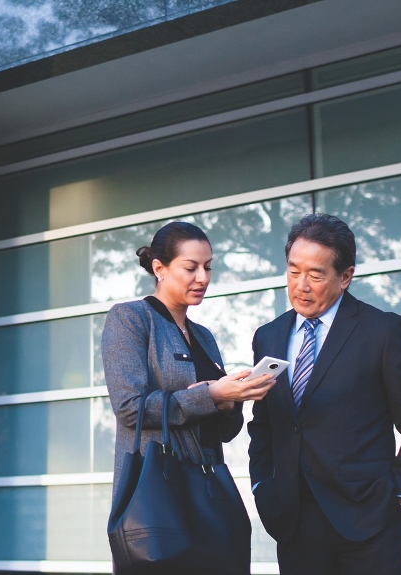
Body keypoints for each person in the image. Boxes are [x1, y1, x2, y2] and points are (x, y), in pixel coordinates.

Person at [248, 213, 401, 575]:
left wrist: (400, 498)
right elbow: (265, 426)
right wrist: (263, 487)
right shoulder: (268, 336)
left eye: (316, 275)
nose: (301, 285)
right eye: (293, 271)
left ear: (346, 277)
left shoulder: (383, 332)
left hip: (368, 523)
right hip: (293, 523)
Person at [102, 221, 277, 559]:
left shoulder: (205, 336)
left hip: (209, 489)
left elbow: (225, 433)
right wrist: (210, 395)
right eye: (191, 267)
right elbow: (129, 408)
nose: (203, 278)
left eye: (208, 267)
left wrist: (229, 402)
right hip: (159, 493)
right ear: (159, 268)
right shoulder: (130, 318)